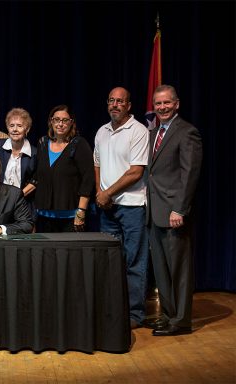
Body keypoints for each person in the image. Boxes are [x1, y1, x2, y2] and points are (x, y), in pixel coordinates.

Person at [145, 85, 203, 336]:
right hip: (154, 213)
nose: (162, 108)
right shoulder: (153, 133)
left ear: (176, 104)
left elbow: (190, 174)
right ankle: (168, 315)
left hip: (174, 214)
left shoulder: (187, 132)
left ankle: (181, 321)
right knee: (161, 269)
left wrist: (180, 209)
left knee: (179, 270)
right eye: (158, 104)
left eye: (166, 103)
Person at [94, 87, 150, 329]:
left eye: (120, 101)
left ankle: (135, 314)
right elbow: (97, 165)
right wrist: (99, 192)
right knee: (111, 261)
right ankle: (113, 309)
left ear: (129, 105)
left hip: (132, 207)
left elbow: (136, 172)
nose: (115, 105)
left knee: (134, 261)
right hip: (107, 208)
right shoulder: (101, 132)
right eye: (111, 101)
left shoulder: (138, 131)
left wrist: (107, 193)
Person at [33, 105, 94, 232]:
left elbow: (88, 180)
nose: (60, 124)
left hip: (70, 217)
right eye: (56, 119)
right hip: (43, 216)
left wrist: (81, 211)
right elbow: (37, 177)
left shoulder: (79, 144)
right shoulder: (42, 143)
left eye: (65, 120)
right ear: (51, 121)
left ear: (71, 123)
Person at [0, 107, 37, 220]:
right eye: (11, 125)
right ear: (7, 128)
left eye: (19, 126)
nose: (15, 129)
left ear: (27, 129)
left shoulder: (34, 153)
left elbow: (36, 180)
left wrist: (16, 198)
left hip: (23, 204)